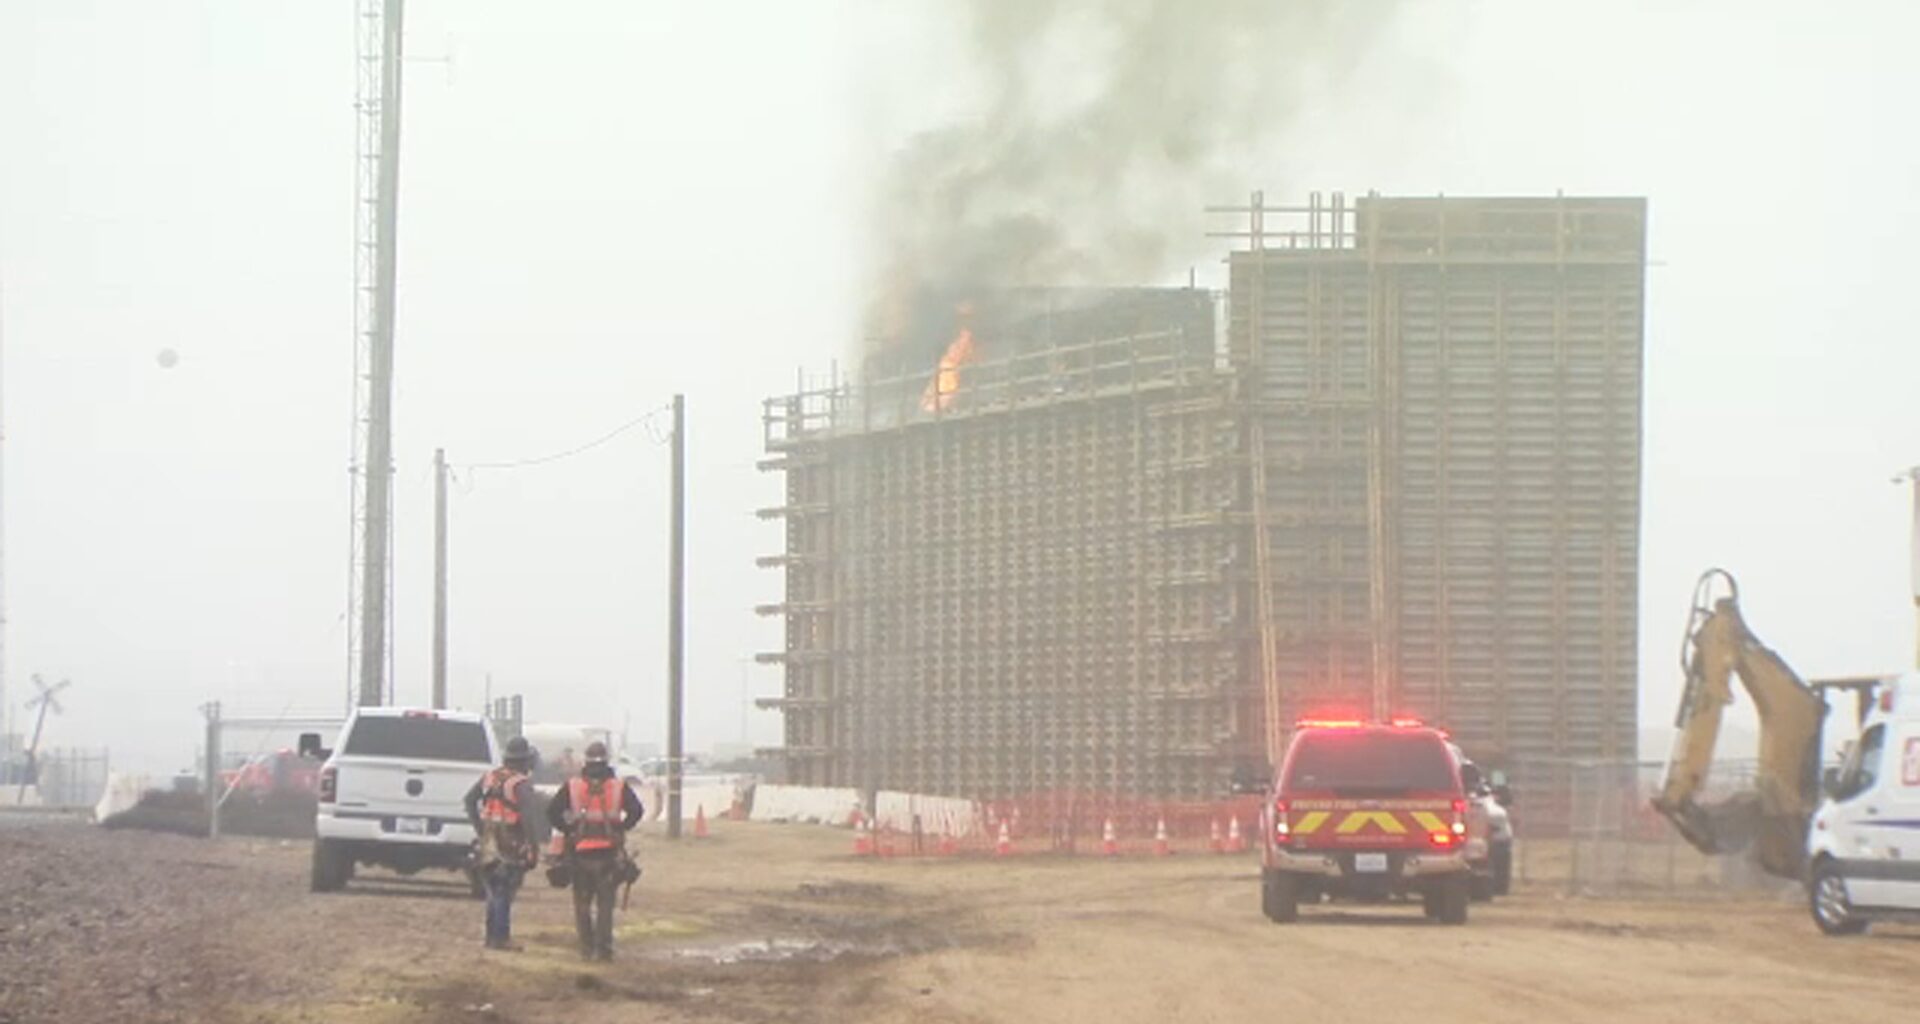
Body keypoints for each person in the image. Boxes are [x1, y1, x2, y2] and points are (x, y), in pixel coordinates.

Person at [546, 740, 644, 961]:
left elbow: (552, 811)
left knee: (582, 903)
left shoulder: (573, 786)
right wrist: (621, 827)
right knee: (605, 904)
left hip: (580, 854)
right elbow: (636, 811)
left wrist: (569, 830)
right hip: (609, 854)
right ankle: (603, 950)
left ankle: (586, 949)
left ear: (586, 762)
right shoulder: (618, 786)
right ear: (606, 761)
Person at [463, 736, 539, 951]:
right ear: (525, 760)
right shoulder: (520, 784)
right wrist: (533, 847)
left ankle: (491, 937)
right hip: (510, 841)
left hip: (488, 839)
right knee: (504, 891)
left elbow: (469, 800)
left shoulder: (490, 777)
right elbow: (528, 818)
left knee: (492, 890)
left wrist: (480, 828)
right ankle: (501, 937)